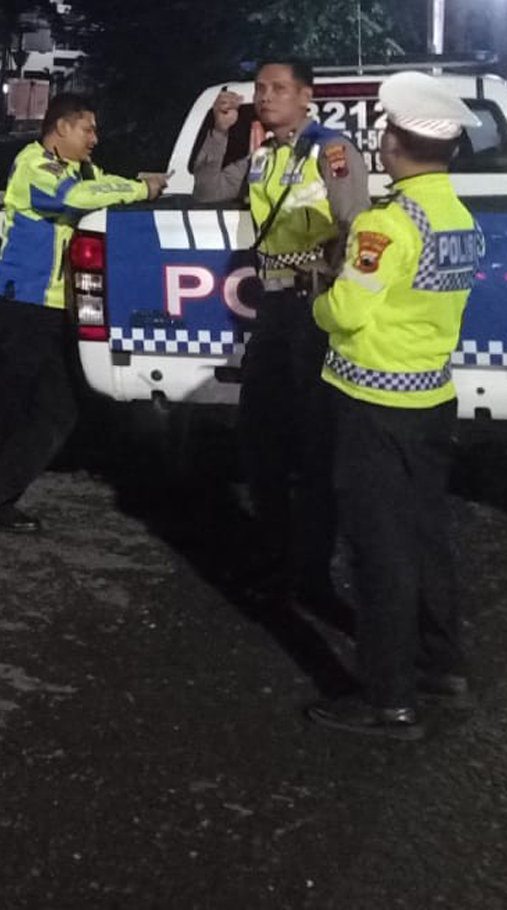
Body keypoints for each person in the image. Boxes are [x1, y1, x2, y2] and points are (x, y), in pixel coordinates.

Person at [305, 72, 485, 741]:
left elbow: (349, 311)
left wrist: (319, 301)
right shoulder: (457, 218)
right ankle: (443, 665)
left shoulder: (388, 222)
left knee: (379, 550)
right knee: (426, 535)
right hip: (432, 398)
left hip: (374, 402)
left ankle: (389, 698)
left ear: (392, 144)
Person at [0, 94, 164, 542]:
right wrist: (140, 189)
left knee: (56, 407)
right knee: (15, 402)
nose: (95, 138)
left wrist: (145, 184)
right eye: (88, 129)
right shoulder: (36, 166)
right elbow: (77, 198)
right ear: (62, 128)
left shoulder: (77, 169)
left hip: (50, 307)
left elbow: (101, 183)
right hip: (20, 304)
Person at [223, 60, 369, 614]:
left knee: (313, 445)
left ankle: (311, 572)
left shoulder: (332, 151)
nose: (265, 97)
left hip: (312, 307)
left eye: (279, 89)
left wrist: (332, 289)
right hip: (273, 307)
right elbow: (211, 187)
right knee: (260, 435)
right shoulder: (264, 155)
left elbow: (354, 226)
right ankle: (277, 557)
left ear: (307, 96)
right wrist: (219, 134)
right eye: (260, 88)